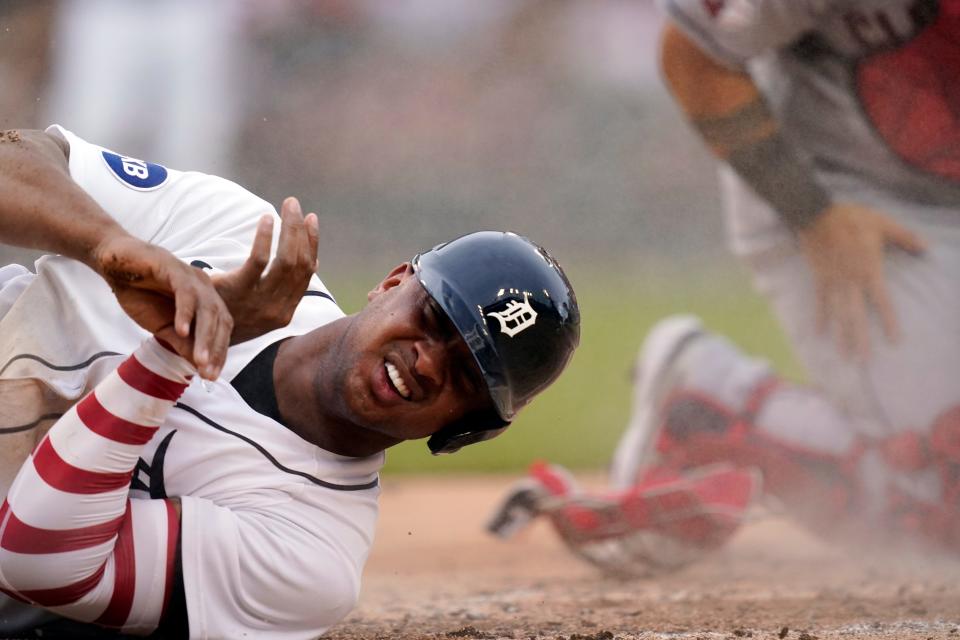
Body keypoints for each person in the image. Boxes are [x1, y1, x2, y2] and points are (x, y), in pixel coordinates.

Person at [0, 126, 580, 638]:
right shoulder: (242, 235)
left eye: (465, 376)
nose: (427, 362)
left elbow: (36, 562)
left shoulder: (311, 555)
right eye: (433, 319)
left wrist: (176, 351)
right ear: (393, 281)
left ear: (469, 427)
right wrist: (110, 245)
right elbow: (17, 155)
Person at [487, 0, 960, 574]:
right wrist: (816, 217)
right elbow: (691, 53)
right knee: (939, 505)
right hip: (845, 198)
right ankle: (713, 403)